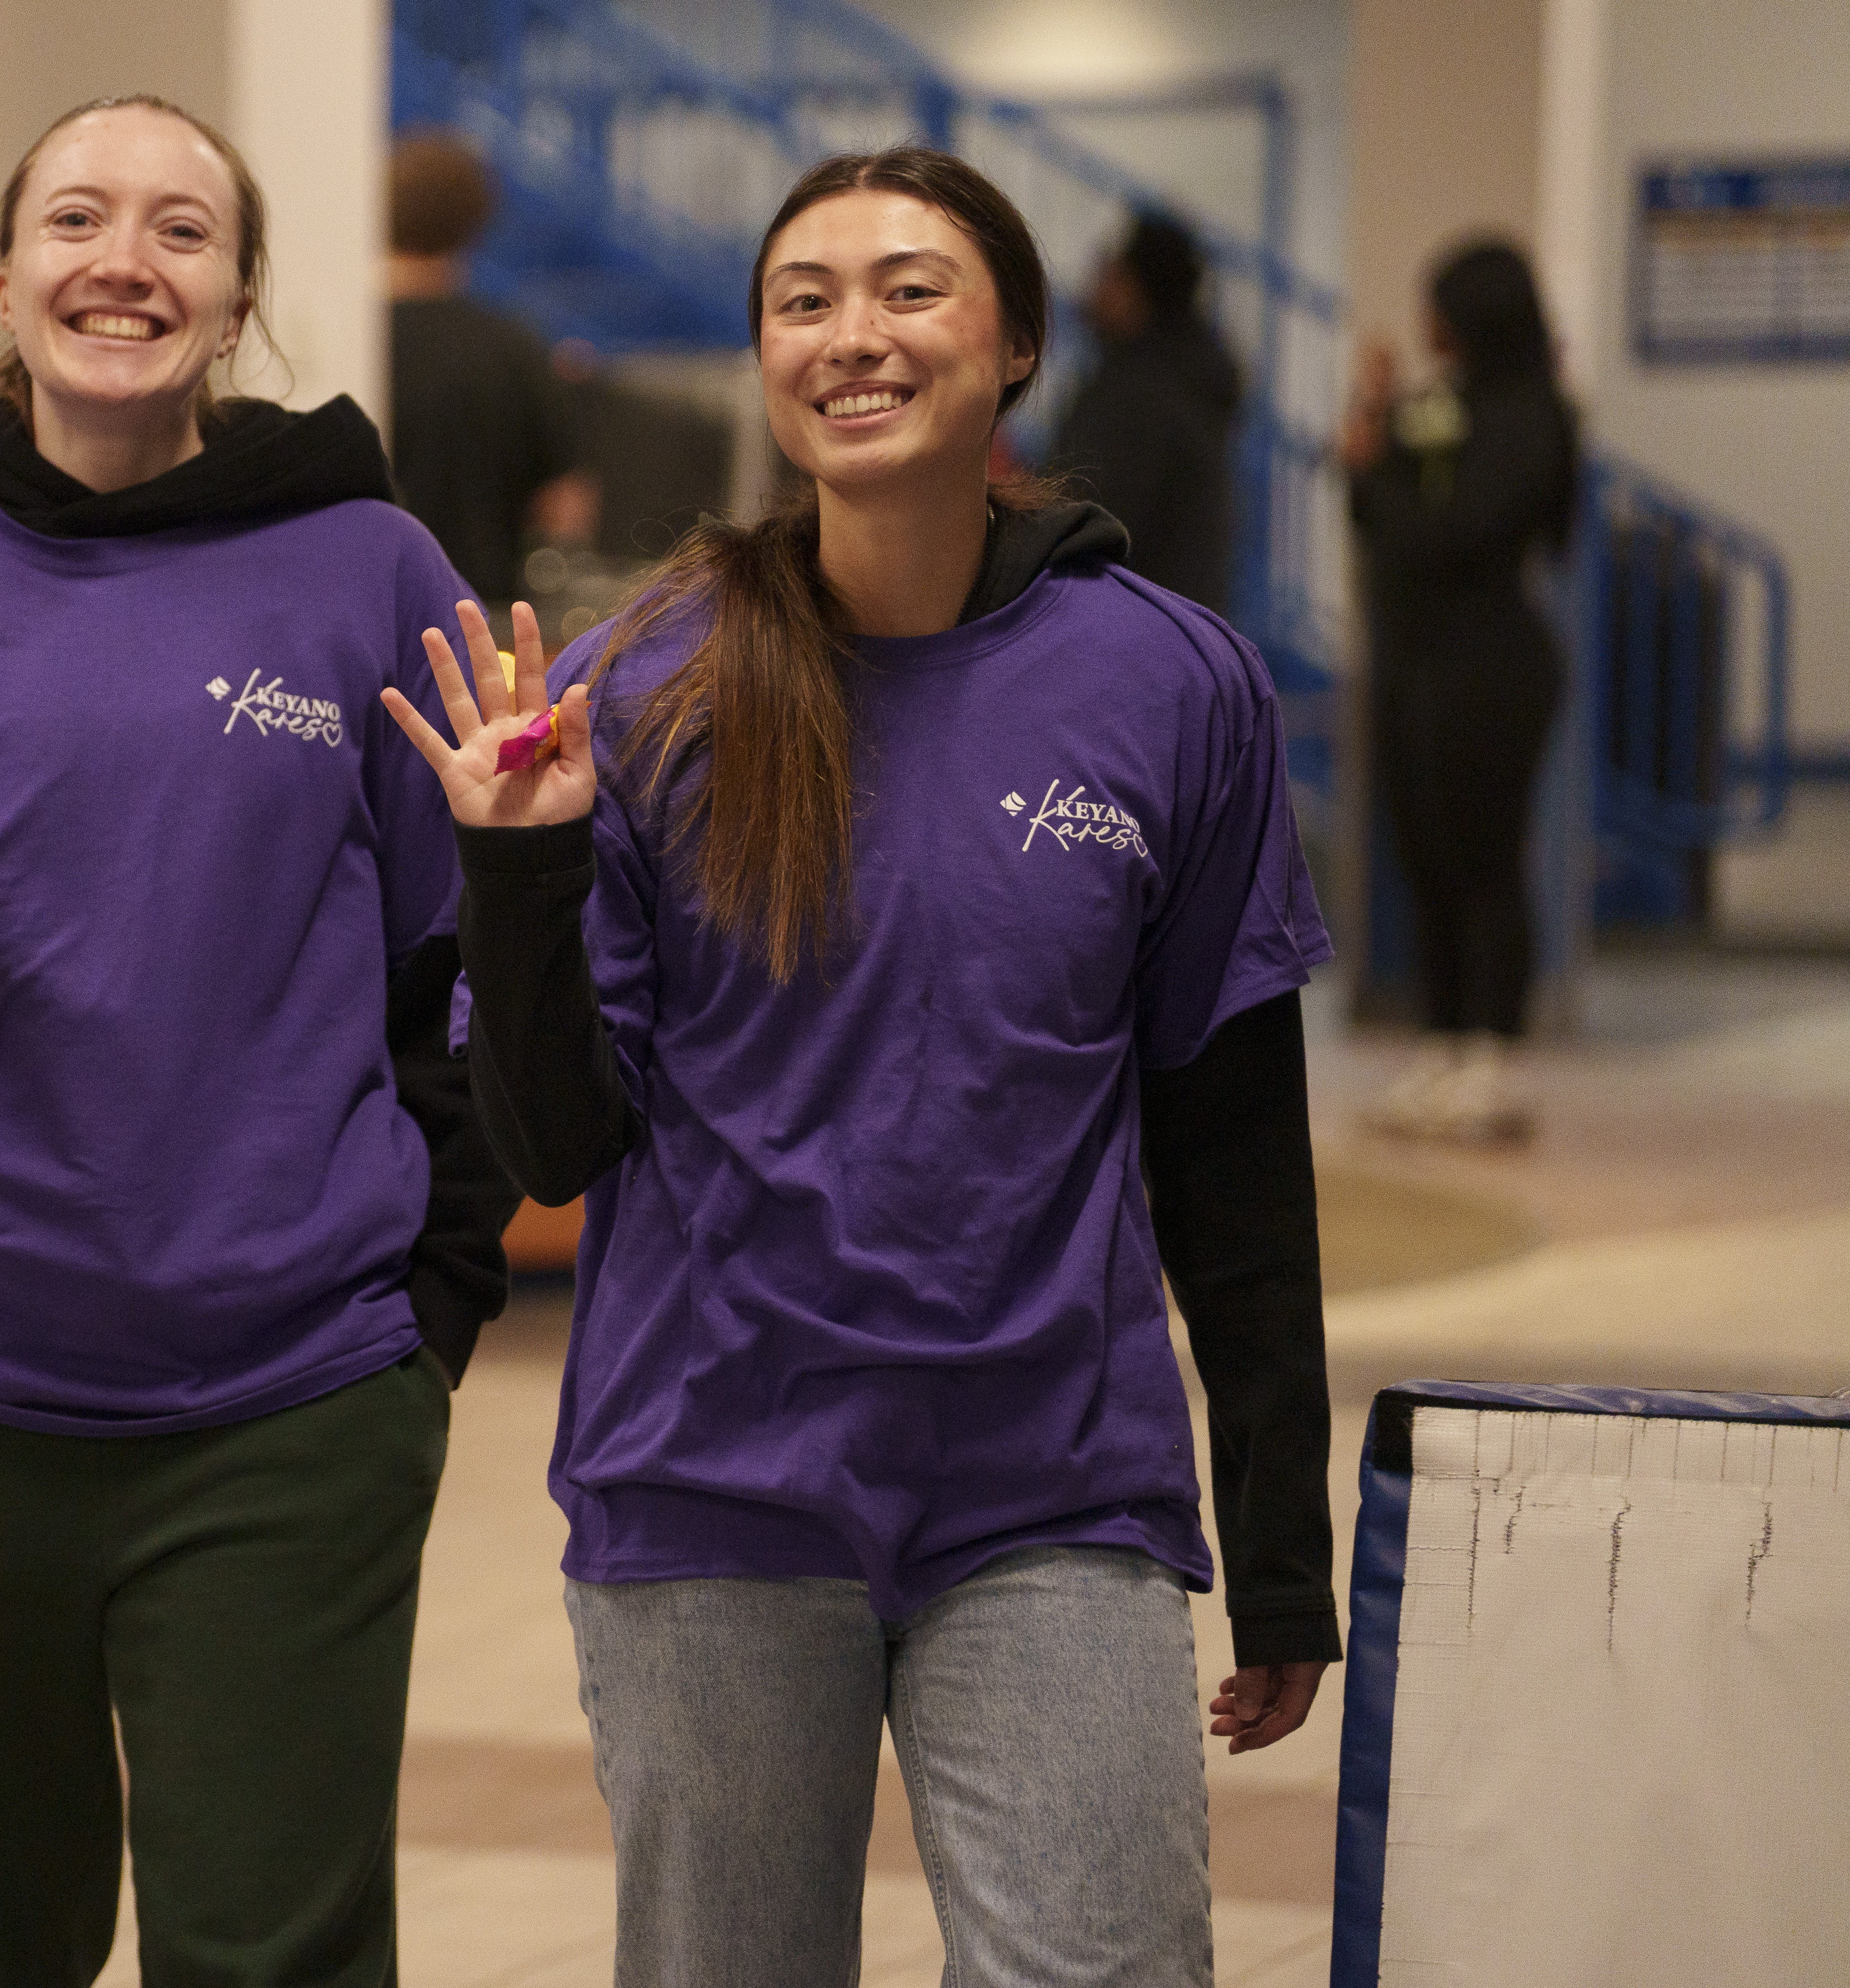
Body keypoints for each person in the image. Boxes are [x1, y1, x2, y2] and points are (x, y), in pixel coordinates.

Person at [383, 147, 1337, 1986]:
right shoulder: (643, 683)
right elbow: (557, 1146)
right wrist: (519, 871)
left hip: (1050, 1488)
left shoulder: (1172, 686)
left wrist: (1281, 1543)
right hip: (716, 1487)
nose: (853, 334)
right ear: (763, 361)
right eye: (803, 300)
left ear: (1017, 349)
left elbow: (1234, 1154)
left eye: (910, 288)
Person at [0, 94, 516, 1988]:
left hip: (293, 1398)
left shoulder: (369, 573)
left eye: (179, 229)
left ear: (236, 296)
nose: (123, 262)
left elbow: (459, 966)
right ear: (6, 280)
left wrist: (433, 1313)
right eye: (78, 219)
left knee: (273, 1950)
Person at [1344, 238, 1579, 1144]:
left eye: (1438, 303)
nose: (1424, 321)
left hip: (1492, 662)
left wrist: (1382, 480)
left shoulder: (1531, 412)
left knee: (1483, 860)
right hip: (1414, 658)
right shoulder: (1436, 403)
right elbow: (1384, 520)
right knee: (1426, 859)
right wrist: (1370, 438)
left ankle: (1495, 1056)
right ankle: (1440, 1048)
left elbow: (1465, 530)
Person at [385, 129, 597, 614]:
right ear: (473, 227)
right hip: (484, 625)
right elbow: (566, 505)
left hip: (369, 618)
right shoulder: (516, 349)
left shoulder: (347, 347)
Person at [1046, 206, 1243, 613]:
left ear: (1138, 289)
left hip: (1132, 643)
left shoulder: (1136, 397)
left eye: (1110, 273)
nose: (1095, 287)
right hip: (1179, 636)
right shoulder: (1188, 379)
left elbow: (1074, 520)